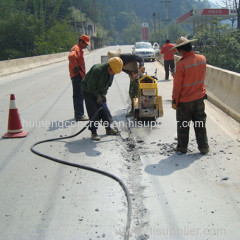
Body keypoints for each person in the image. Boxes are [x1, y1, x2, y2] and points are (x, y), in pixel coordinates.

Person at [171, 36, 209, 154]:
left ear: (181, 50)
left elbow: (177, 86)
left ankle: (182, 148)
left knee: (183, 126)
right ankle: (204, 147)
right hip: (199, 100)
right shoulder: (202, 59)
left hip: (185, 102)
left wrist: (174, 101)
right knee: (200, 124)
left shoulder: (181, 65)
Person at [82, 57, 123, 141]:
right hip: (89, 91)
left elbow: (107, 86)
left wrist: (103, 95)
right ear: (109, 67)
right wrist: (97, 96)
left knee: (104, 110)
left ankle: (108, 128)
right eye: (113, 72)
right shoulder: (97, 70)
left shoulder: (111, 73)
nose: (114, 74)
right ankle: (94, 132)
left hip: (99, 92)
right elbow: (90, 86)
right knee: (94, 112)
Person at [108, 49, 145, 114]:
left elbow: (140, 58)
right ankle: (135, 108)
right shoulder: (116, 63)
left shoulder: (126, 56)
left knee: (133, 92)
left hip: (138, 73)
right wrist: (131, 72)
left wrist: (141, 66)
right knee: (132, 92)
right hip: (132, 74)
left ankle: (135, 109)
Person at [68, 34, 90, 121]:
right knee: (78, 95)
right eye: (86, 44)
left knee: (80, 95)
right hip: (77, 76)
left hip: (79, 75)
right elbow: (71, 56)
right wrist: (76, 66)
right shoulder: (76, 48)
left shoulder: (79, 49)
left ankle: (79, 113)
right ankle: (79, 115)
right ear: (81, 42)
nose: (86, 46)